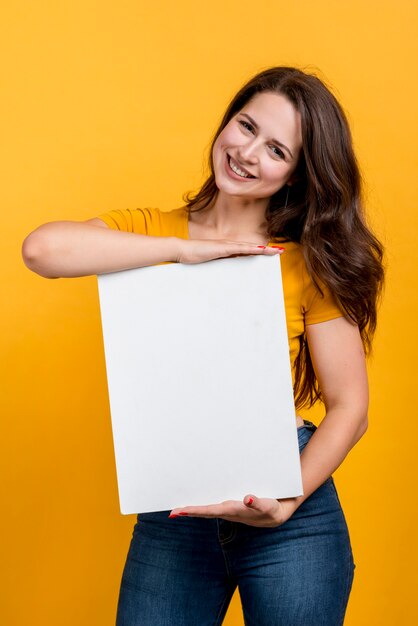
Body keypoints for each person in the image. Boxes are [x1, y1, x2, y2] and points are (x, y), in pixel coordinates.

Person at [22, 66, 384, 625]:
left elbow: (350, 408)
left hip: (290, 511)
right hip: (174, 512)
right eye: (245, 126)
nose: (247, 152)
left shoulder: (305, 264)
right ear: (226, 121)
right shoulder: (148, 231)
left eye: (276, 150)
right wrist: (183, 250)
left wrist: (286, 504)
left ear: (295, 174)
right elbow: (42, 251)